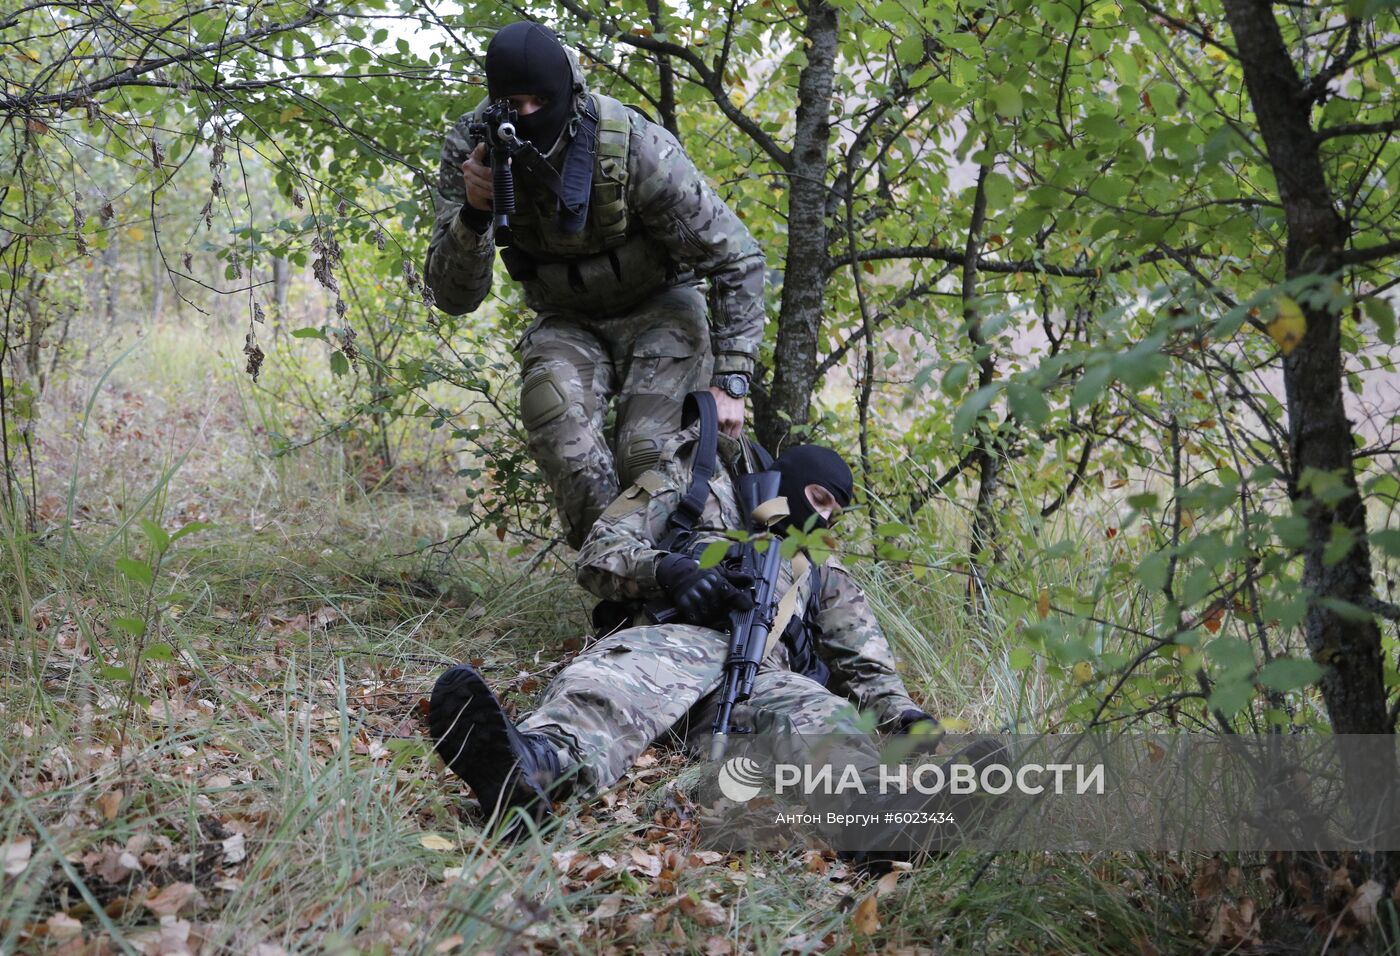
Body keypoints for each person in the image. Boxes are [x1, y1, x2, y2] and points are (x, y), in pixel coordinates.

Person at [427, 400, 938, 826]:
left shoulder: (819, 566)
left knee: (823, 716)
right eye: (819, 499)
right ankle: (532, 769)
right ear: (789, 479)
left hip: (761, 680)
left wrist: (907, 716)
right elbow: (599, 552)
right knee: (608, 681)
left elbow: (862, 653)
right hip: (669, 649)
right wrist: (669, 570)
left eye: (834, 512)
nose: (824, 517)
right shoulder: (699, 490)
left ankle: (877, 818)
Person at [425, 21, 766, 549]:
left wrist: (733, 381)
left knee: (647, 454)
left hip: (661, 308)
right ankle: (621, 579)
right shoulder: (474, 149)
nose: (529, 115)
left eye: (542, 100)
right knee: (558, 422)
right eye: (515, 103)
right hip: (566, 319)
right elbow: (453, 298)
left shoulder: (632, 145)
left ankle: (691, 582)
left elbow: (736, 255)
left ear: (566, 91)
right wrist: (473, 213)